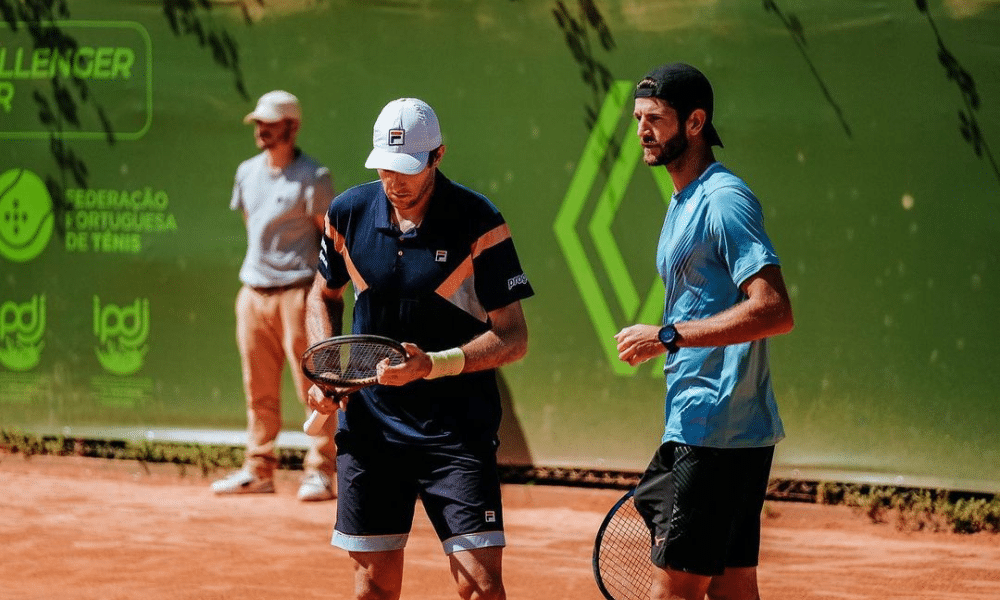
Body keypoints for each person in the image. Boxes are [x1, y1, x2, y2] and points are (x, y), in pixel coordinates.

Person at [305, 97, 533, 600]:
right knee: (372, 590)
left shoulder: (478, 219)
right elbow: (322, 295)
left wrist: (434, 365)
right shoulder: (347, 213)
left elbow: (513, 336)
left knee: (481, 588)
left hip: (456, 433)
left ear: (438, 156)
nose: (395, 182)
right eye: (386, 168)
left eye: (408, 168)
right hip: (371, 433)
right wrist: (325, 370)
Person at [614, 63, 795, 600]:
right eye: (639, 118)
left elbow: (774, 309)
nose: (643, 130)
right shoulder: (683, 199)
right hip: (722, 427)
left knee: (676, 591)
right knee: (733, 588)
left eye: (656, 119)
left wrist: (668, 336)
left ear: (695, 123)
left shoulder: (722, 200)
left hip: (713, 427)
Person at [211, 90, 338, 502]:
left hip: (298, 296)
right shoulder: (247, 172)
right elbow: (254, 227)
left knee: (313, 387)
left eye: (269, 123)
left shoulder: (315, 177)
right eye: (258, 124)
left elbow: (329, 237)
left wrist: (320, 294)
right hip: (252, 295)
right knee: (258, 390)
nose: (261, 130)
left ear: (292, 127)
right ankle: (258, 469)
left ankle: (321, 470)